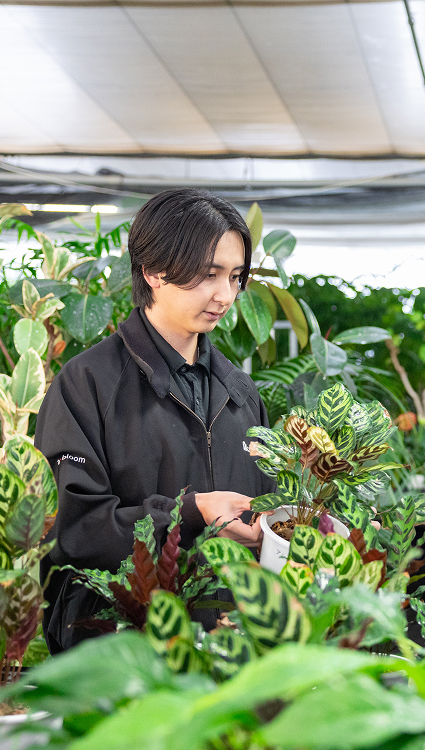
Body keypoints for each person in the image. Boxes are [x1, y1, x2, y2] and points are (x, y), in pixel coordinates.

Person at [36, 189, 273, 653]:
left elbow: (263, 508)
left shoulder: (241, 393)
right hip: (120, 652)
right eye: (208, 275)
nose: (225, 296)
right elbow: (73, 530)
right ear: (153, 271)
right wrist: (192, 514)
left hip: (226, 651)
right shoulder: (87, 385)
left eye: (235, 277)